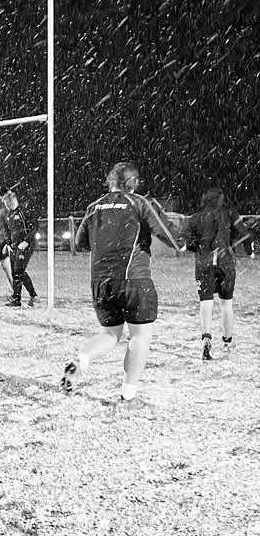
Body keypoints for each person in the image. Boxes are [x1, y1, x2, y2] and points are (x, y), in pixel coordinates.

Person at [61, 162, 180, 401]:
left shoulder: (94, 207)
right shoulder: (140, 203)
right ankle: (128, 393)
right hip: (134, 280)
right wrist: (183, 242)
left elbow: (79, 242)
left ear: (110, 181)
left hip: (101, 282)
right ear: (134, 183)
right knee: (140, 336)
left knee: (110, 334)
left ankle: (81, 360)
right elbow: (170, 237)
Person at [185, 188, 246, 359]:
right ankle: (227, 341)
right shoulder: (229, 214)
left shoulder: (196, 217)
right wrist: (231, 244)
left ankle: (206, 338)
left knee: (206, 302)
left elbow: (185, 241)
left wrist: (197, 248)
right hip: (225, 263)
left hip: (204, 263)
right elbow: (244, 232)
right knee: (226, 304)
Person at [1, 190, 37, 307]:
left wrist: (26, 241)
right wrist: (8, 243)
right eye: (5, 202)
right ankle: (16, 299)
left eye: (8, 201)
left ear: (13, 200)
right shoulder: (7, 214)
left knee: (19, 270)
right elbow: (7, 231)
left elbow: (34, 227)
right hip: (14, 246)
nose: (7, 204)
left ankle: (32, 296)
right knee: (15, 272)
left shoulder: (23, 211)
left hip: (26, 245)